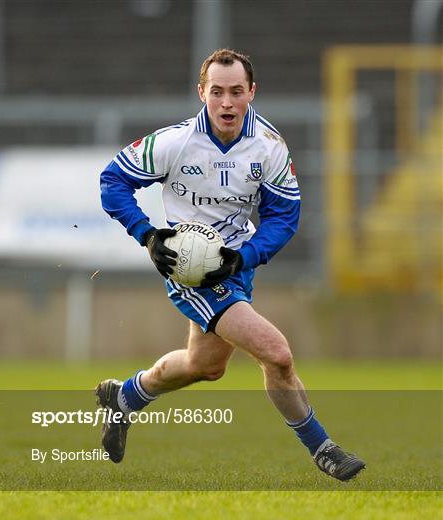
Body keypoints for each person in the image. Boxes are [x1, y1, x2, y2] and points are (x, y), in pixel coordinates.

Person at [96, 49, 365, 481]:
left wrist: (246, 257)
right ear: (201, 92)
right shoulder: (174, 142)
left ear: (251, 92)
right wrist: (148, 235)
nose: (226, 103)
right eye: (216, 92)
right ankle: (324, 448)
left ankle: (126, 396)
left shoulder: (269, 146)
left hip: (235, 265)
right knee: (276, 355)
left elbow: (283, 216)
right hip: (190, 269)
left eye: (236, 92)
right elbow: (113, 181)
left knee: (206, 366)